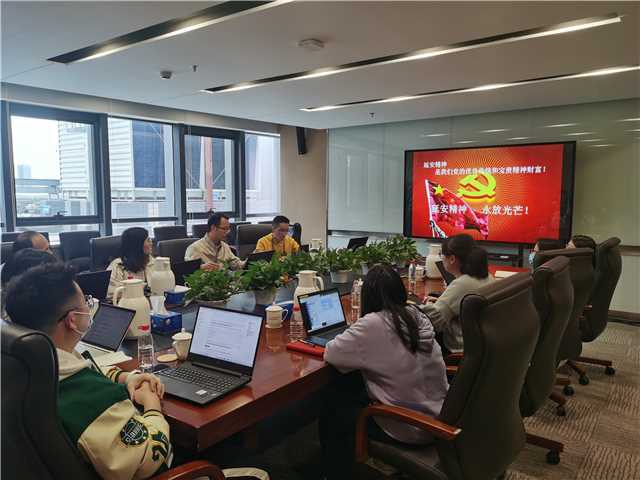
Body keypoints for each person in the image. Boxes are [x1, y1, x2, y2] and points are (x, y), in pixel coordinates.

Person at [4, 263, 172, 479]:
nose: (89, 306)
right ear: (72, 320)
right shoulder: (89, 399)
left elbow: (86, 367)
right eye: (86, 302)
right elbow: (148, 459)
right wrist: (152, 405)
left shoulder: (28, 365)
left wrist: (126, 378)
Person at [320, 264, 448, 480]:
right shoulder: (416, 314)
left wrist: (356, 330)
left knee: (332, 407)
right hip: (440, 414)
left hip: (411, 427)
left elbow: (332, 353)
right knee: (352, 385)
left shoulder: (373, 324)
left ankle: (335, 474)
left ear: (368, 297)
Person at [418, 234, 493, 354]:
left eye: (441, 255)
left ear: (452, 259)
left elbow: (433, 320)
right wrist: (440, 302)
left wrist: (422, 306)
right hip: (481, 343)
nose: (441, 258)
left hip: (460, 348)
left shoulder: (462, 284)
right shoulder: (487, 276)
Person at [107, 227, 155, 297]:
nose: (151, 243)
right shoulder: (117, 265)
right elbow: (111, 293)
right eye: (148, 240)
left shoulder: (152, 261)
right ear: (138, 245)